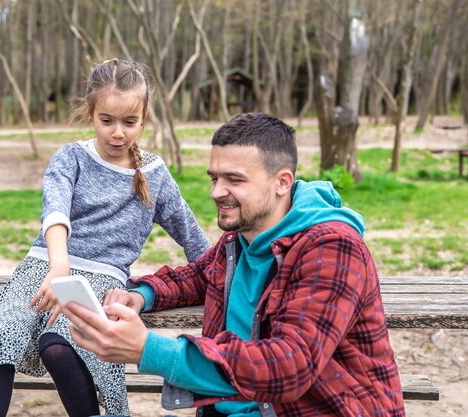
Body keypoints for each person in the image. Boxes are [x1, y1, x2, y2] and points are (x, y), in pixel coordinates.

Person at [64, 112, 406, 417]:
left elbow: (290, 366)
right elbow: (199, 275)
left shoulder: (332, 247)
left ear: (282, 182)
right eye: (214, 178)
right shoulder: (241, 237)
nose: (216, 192)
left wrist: (147, 349)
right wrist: (141, 295)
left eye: (234, 180)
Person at [0, 58, 210, 417]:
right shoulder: (71, 157)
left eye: (129, 122)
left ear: (144, 119)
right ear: (89, 113)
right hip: (47, 263)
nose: (117, 133)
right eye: (106, 121)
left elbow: (190, 233)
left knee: (60, 342)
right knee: (6, 332)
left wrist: (222, 274)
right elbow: (56, 210)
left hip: (104, 275)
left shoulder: (154, 173)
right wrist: (58, 265)